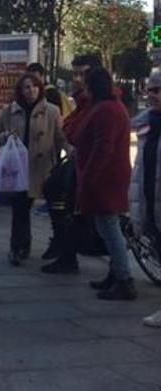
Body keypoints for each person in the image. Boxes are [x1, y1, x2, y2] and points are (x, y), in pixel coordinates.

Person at [69, 67, 135, 300]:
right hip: (107, 176)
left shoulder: (106, 109)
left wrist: (88, 178)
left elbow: (102, 147)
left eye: (84, 83)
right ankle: (116, 274)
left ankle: (125, 278)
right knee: (106, 225)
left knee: (109, 226)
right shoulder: (108, 106)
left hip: (105, 178)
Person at [0, 73, 68, 265]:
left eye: (34, 86)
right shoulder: (10, 111)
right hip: (19, 167)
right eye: (26, 87)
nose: (31, 91)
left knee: (56, 209)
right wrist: (5, 136)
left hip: (42, 166)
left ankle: (59, 246)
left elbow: (61, 137)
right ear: (20, 90)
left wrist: (70, 152)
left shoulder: (52, 111)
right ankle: (18, 246)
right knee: (20, 210)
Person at [41, 55, 102, 273]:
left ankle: (69, 250)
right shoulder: (82, 98)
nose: (77, 79)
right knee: (55, 190)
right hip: (79, 158)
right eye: (75, 73)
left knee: (76, 205)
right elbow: (70, 126)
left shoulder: (99, 98)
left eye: (82, 73)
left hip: (92, 162)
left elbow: (76, 129)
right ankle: (64, 246)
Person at [131, 72, 161, 325]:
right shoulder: (146, 123)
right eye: (150, 90)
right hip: (151, 195)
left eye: (158, 90)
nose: (152, 95)